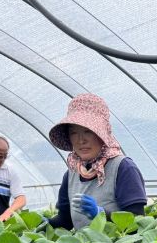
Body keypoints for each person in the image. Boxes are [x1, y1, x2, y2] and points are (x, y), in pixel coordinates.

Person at [47, 93, 147, 230]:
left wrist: (101, 214)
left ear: (102, 134)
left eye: (88, 131)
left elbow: (138, 221)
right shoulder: (71, 174)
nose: (81, 140)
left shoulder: (123, 168)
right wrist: (44, 223)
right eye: (74, 133)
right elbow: (65, 220)